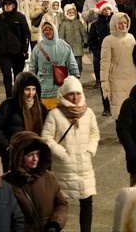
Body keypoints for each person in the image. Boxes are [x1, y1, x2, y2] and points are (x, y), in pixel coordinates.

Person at [41, 76, 99, 232]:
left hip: (84, 165)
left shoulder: (88, 113)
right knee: (60, 204)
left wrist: (90, 150)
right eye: (71, 94)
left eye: (78, 93)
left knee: (87, 202)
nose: (75, 98)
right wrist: (61, 153)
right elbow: (46, 138)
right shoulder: (55, 114)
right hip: (63, 168)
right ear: (64, 95)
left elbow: (94, 133)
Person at [3, 131, 69, 232]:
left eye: (37, 154)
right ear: (19, 156)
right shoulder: (6, 182)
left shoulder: (49, 177)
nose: (35, 159)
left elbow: (61, 204)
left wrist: (55, 224)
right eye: (30, 155)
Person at [0, 70, 48, 172]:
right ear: (20, 90)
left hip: (35, 157)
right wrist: (7, 147)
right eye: (27, 89)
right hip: (14, 158)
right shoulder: (8, 106)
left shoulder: (41, 107)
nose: (31, 93)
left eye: (34, 89)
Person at [29, 18, 77, 109]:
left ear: (54, 29)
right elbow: (32, 67)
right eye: (45, 30)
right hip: (44, 88)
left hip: (61, 87)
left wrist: (75, 78)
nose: (48, 31)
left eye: (50, 29)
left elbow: (71, 63)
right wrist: (31, 82)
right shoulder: (38, 48)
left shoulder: (64, 46)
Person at [0, 0, 32, 97]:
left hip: (18, 52)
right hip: (4, 52)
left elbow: (26, 34)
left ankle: (17, 95)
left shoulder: (20, 17)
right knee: (6, 75)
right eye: (5, 4)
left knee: (18, 75)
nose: (7, 6)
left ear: (14, 5)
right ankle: (9, 96)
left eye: (9, 4)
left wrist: (25, 49)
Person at [102, 12, 136, 119]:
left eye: (125, 23)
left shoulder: (131, 38)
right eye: (120, 23)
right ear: (114, 24)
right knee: (119, 109)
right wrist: (104, 81)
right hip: (115, 78)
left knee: (132, 108)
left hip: (132, 77)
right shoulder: (108, 40)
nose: (123, 25)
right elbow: (104, 62)